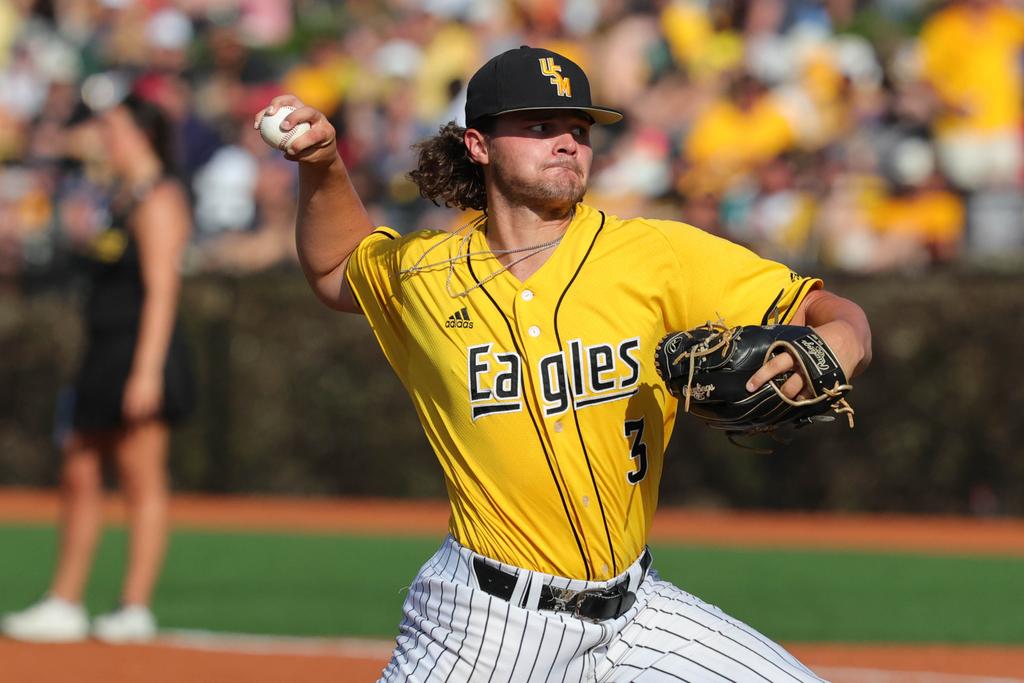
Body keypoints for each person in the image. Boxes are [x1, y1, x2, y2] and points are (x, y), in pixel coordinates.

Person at [258, 46, 871, 681]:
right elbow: (336, 268)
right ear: (479, 144)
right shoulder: (425, 274)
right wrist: (324, 165)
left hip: (637, 616)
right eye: (539, 127)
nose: (566, 144)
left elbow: (828, 309)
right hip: (483, 630)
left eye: (578, 131)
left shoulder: (654, 253)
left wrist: (843, 344)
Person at [2, 90, 195, 643]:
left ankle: (134, 606)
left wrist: (146, 372)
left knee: (140, 477)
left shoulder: (160, 198)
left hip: (140, 352)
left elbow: (163, 292)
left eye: (111, 128)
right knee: (79, 470)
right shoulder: (122, 196)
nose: (102, 138)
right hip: (104, 350)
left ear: (140, 134)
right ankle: (64, 600)